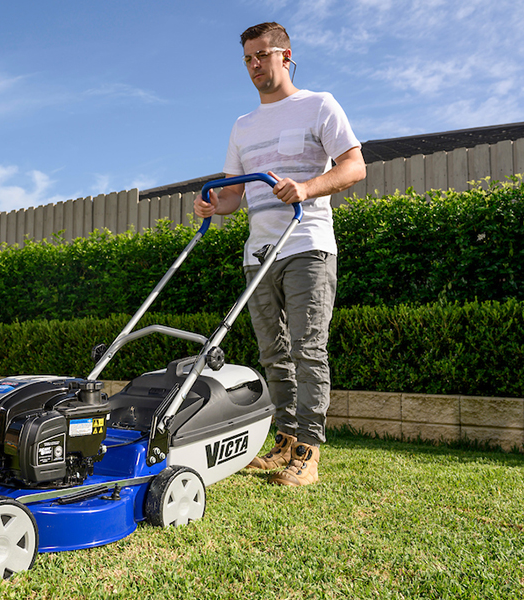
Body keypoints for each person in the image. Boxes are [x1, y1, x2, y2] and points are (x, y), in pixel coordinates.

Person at [194, 22, 365, 486]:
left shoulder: (319, 105)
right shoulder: (242, 126)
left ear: (285, 56)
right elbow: (234, 195)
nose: (254, 66)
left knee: (308, 349)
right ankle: (286, 440)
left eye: (262, 56)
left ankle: (309, 450)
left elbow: (354, 165)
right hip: (259, 252)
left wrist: (307, 187)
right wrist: (213, 203)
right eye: (247, 59)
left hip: (307, 243)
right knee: (274, 353)